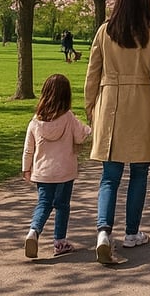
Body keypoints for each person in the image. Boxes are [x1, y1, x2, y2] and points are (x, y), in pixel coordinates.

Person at [85, 0, 150, 265]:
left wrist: (90, 105)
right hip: (142, 104)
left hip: (110, 103)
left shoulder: (105, 31)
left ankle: (103, 232)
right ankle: (131, 232)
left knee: (109, 177)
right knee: (139, 174)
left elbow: (93, 71)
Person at [22, 73, 92, 259]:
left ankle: (34, 232)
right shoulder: (68, 118)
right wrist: (90, 126)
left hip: (42, 171)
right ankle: (59, 241)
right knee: (62, 205)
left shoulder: (35, 122)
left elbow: (28, 149)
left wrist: (26, 169)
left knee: (44, 203)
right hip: (65, 171)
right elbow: (81, 135)